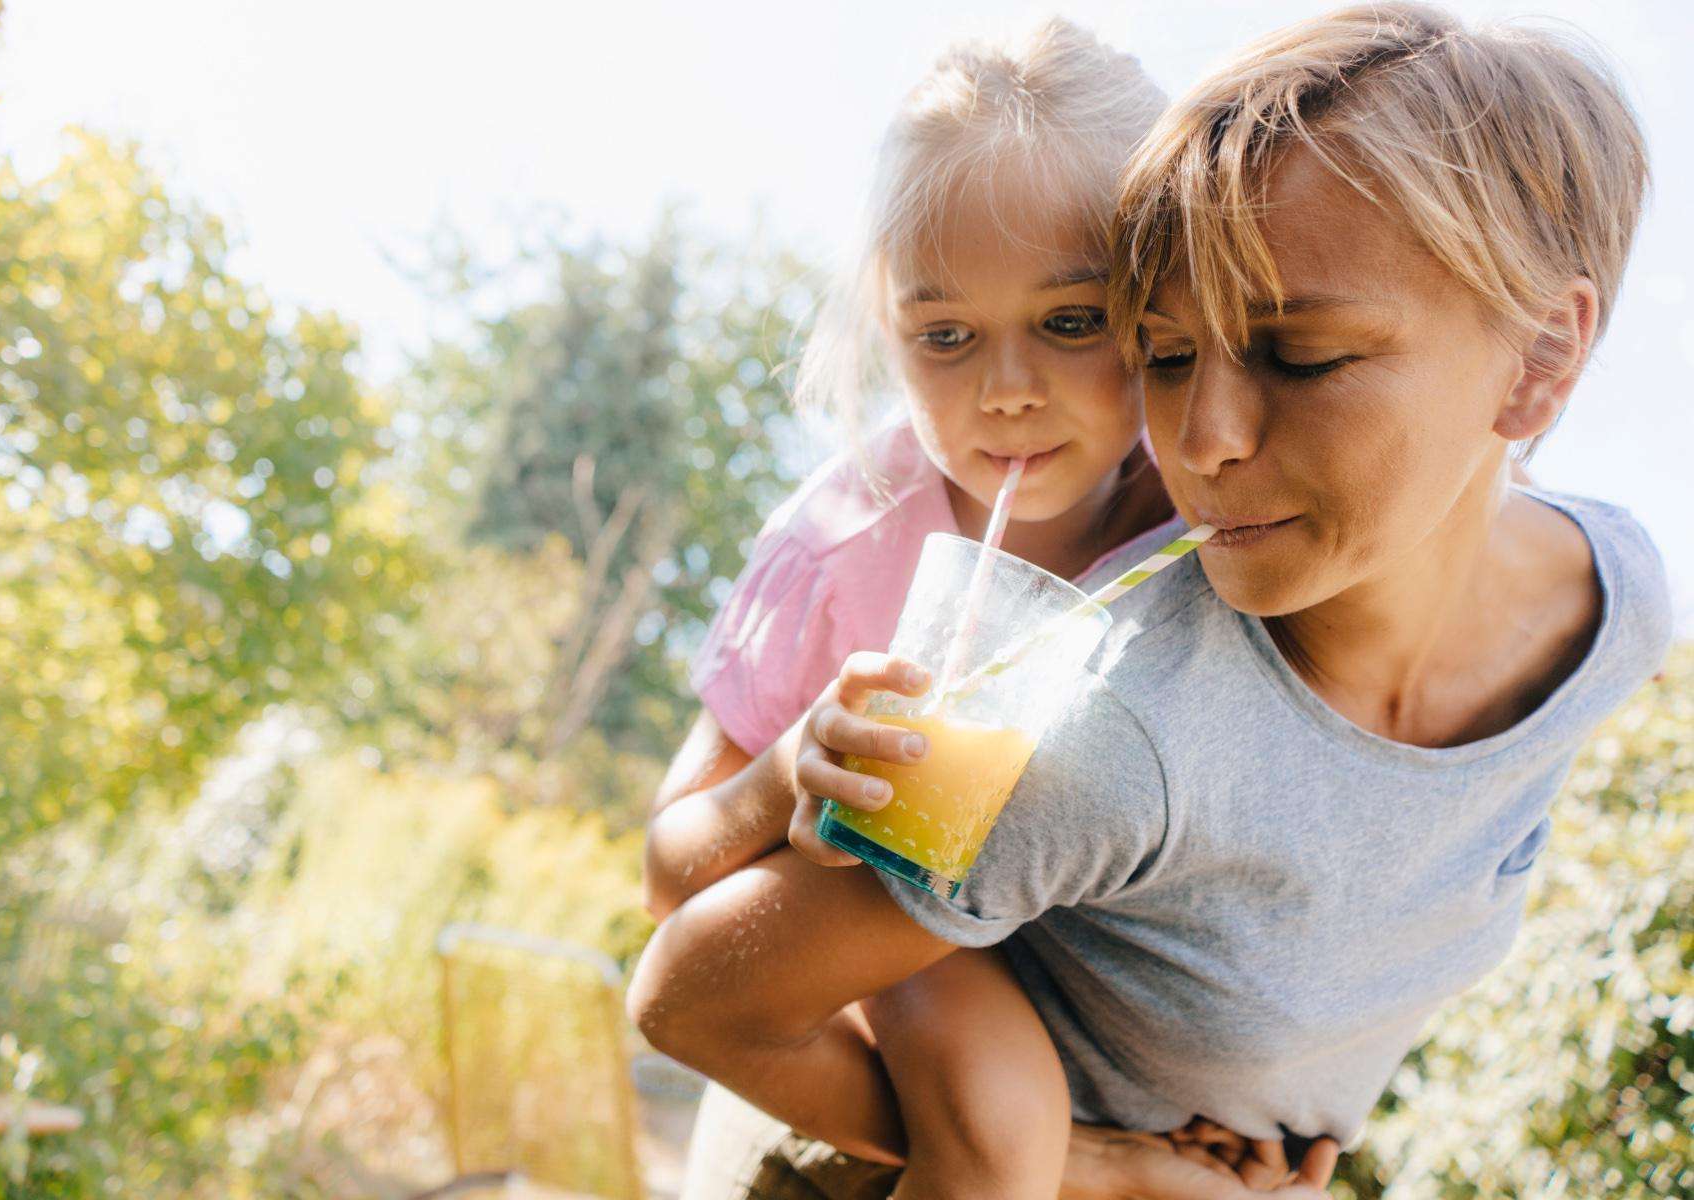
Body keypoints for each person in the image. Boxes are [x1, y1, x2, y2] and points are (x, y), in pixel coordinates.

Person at [629, 5, 1674, 1199]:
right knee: (995, 1109)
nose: (1205, 441)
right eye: (1171, 356)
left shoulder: (1600, 596)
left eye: (1077, 325)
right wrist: (1089, 1164)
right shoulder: (1033, 663)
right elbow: (684, 929)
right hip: (888, 1012)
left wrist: (1299, 1069)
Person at [640, 17, 1283, 1200]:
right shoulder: (848, 539)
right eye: (945, 337)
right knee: (993, 1106)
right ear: (885, 328)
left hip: (1109, 1013)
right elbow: (668, 872)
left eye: (1073, 322)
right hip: (873, 984)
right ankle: (1078, 1166)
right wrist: (788, 775)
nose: (1006, 393)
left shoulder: (1207, 527)